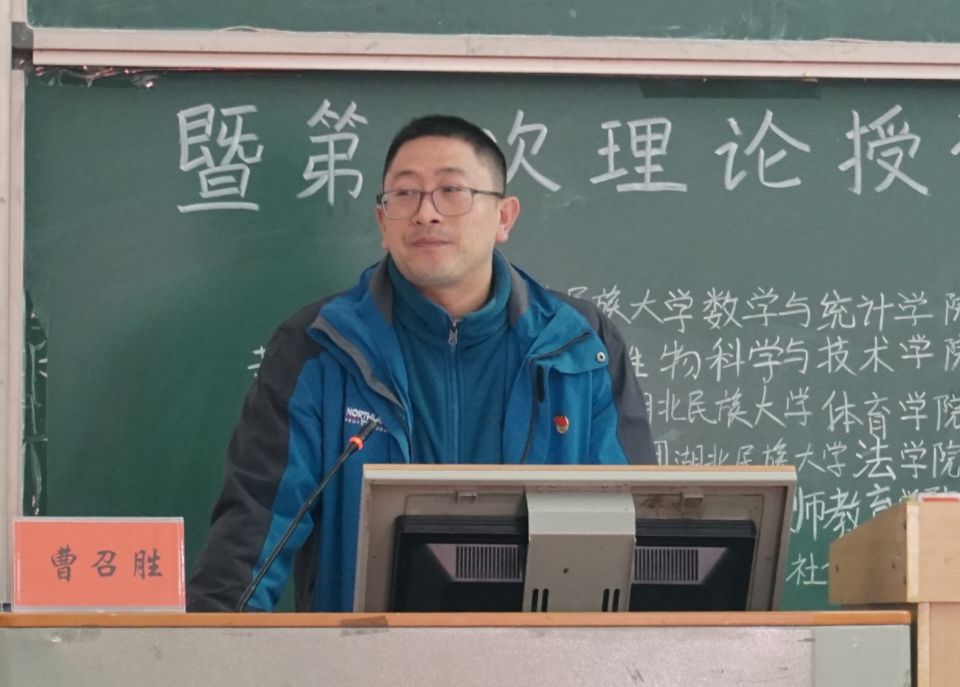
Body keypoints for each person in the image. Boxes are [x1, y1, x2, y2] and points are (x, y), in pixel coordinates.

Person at [187, 114, 656, 612]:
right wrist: (212, 643)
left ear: (504, 217)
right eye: (405, 194)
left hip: (539, 650)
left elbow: (638, 531)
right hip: (363, 651)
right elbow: (253, 534)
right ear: (382, 222)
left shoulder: (579, 345)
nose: (426, 214)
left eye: (452, 191)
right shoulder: (318, 347)